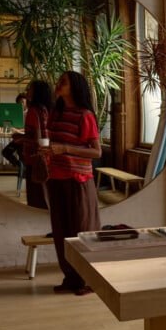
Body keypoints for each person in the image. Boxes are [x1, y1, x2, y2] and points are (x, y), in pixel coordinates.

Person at [41, 71, 102, 296]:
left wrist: (64, 148)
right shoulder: (55, 113)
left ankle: (88, 281)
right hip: (56, 179)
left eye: (63, 82)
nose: (57, 84)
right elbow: (54, 144)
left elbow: (96, 151)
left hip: (79, 182)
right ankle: (70, 277)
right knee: (61, 233)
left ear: (75, 87)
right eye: (58, 80)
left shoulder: (84, 115)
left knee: (82, 232)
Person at [19, 82, 53, 209]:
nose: (27, 92)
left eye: (30, 89)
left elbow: (36, 137)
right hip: (46, 155)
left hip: (34, 157)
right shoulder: (45, 109)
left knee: (36, 195)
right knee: (44, 190)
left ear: (37, 93)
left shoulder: (33, 111)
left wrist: (20, 138)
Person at [1, 93, 26, 168]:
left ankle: (23, 168)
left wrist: (17, 129)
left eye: (23, 102)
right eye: (19, 103)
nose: (21, 104)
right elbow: (8, 128)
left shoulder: (29, 113)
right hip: (17, 139)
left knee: (21, 153)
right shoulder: (15, 113)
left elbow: (28, 129)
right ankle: (20, 166)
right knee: (5, 152)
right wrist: (7, 126)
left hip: (25, 140)